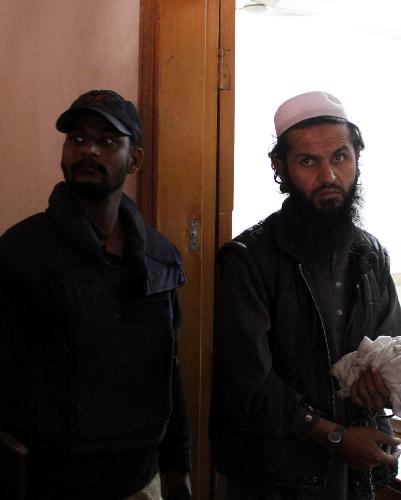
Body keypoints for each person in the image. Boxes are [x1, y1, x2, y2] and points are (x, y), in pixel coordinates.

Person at [0, 90, 192, 500]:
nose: (88, 150)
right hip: (53, 481)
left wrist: (179, 465)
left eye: (107, 141)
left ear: (135, 159)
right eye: (77, 139)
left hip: (142, 479)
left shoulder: (160, 256)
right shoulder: (22, 250)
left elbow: (169, 370)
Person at [209, 91, 401, 499]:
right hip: (276, 476)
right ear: (281, 168)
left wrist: (380, 385)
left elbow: (390, 349)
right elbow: (249, 386)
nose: (329, 176)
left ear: (357, 159)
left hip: (359, 474)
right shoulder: (248, 260)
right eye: (308, 161)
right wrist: (335, 437)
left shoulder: (372, 254)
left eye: (340, 157)